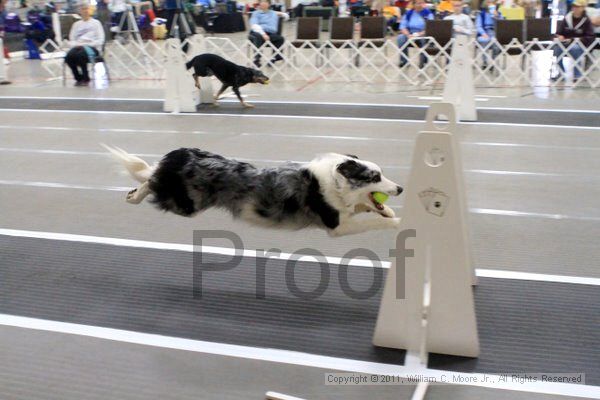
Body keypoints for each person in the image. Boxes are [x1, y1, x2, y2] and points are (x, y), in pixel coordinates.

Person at [552, 0, 594, 81]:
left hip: (581, 45)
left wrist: (574, 40)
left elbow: (590, 37)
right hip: (565, 44)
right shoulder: (567, 18)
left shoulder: (586, 20)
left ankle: (577, 74)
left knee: (575, 48)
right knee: (557, 49)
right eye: (574, 6)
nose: (575, 8)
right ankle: (560, 73)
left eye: (578, 7)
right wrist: (560, 36)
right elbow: (558, 32)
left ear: (583, 8)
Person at [65, 4, 105, 86]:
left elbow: (101, 39)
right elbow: (72, 39)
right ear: (80, 11)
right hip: (78, 46)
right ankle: (78, 77)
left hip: (92, 47)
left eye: (87, 9)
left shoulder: (96, 23)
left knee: (80, 56)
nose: (85, 11)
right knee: (69, 57)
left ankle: (86, 77)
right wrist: (76, 44)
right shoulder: (76, 25)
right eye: (83, 9)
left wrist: (89, 44)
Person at [396, 0, 433, 68]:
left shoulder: (428, 13)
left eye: (422, 3)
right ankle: (404, 61)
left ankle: (423, 62)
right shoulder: (408, 13)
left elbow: (430, 27)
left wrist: (419, 34)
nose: (420, 5)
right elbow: (402, 27)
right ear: (414, 4)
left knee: (423, 39)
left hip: (423, 34)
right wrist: (408, 35)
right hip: (410, 34)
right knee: (400, 38)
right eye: (418, 3)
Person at [248, 0, 285, 67]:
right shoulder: (255, 13)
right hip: (256, 33)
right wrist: (263, 33)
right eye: (262, 2)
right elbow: (254, 26)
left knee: (280, 38)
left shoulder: (273, 13)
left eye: (265, 2)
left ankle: (274, 58)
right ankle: (257, 59)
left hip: (270, 33)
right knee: (258, 36)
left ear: (269, 4)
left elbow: (274, 28)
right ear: (259, 4)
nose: (263, 3)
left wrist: (283, 13)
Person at [476, 0, 502, 67]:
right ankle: (484, 62)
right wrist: (483, 33)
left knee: (496, 44)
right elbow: (478, 26)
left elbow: (503, 24)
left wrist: (497, 16)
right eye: (488, 2)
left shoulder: (498, 13)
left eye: (492, 3)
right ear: (485, 4)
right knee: (484, 41)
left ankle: (494, 62)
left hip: (495, 32)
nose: (490, 4)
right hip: (485, 32)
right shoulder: (482, 14)